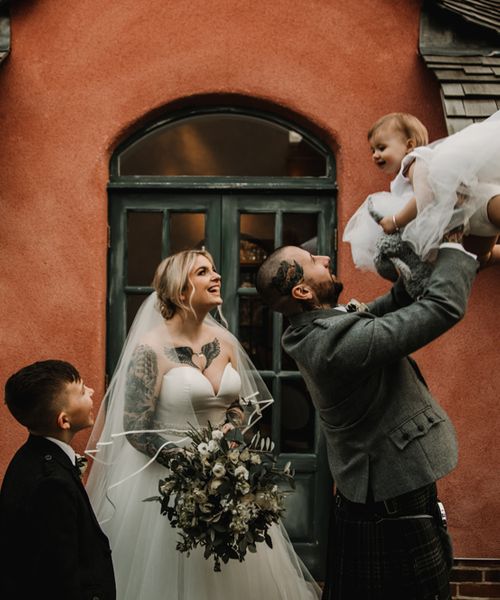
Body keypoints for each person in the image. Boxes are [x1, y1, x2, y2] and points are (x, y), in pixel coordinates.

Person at [85, 249, 320, 600]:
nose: (217, 277)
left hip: (225, 477)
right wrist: (192, 468)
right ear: (181, 291)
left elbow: (237, 406)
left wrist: (232, 440)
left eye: (213, 270)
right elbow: (135, 428)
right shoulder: (150, 349)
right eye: (203, 272)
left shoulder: (225, 342)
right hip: (166, 485)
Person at [255, 236, 478, 600]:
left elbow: (388, 306)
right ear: (302, 291)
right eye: (313, 260)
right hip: (391, 508)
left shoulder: (318, 327)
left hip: (386, 495)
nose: (325, 258)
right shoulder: (333, 346)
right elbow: (443, 308)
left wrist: (408, 260)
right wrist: (456, 248)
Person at [0, 360, 116, 600]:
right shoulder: (52, 484)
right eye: (83, 391)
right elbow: (60, 578)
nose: (92, 392)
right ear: (64, 421)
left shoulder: (29, 456)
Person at [343, 111, 500, 276]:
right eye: (372, 150)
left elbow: (424, 197)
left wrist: (396, 221)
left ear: (409, 146)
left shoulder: (413, 162)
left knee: (481, 255)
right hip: (474, 221)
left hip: (481, 203)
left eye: (382, 148)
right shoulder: (402, 181)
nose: (375, 155)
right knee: (480, 259)